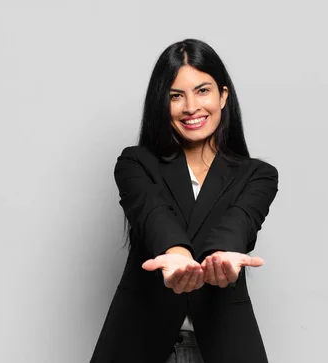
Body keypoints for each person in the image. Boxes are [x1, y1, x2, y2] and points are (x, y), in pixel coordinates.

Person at [90, 39, 279, 363]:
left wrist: (221, 257)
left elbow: (240, 220)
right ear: (161, 104)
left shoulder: (258, 174)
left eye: (202, 91)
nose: (191, 107)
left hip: (225, 344)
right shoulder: (135, 163)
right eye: (176, 96)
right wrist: (176, 255)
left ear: (223, 96)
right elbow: (152, 214)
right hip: (139, 341)